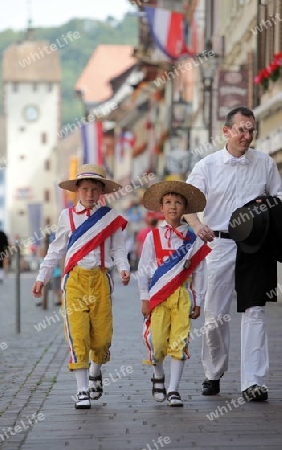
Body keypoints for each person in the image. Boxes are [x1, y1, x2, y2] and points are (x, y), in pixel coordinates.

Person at [185, 106, 282, 401]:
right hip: (220, 243)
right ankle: (213, 373)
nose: (247, 135)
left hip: (256, 246)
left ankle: (254, 381)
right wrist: (198, 225)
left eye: (251, 130)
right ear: (226, 131)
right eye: (241, 129)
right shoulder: (207, 166)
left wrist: (266, 204)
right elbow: (186, 199)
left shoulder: (265, 163)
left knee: (254, 311)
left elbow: (279, 198)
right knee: (215, 315)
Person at [32, 164, 130, 409]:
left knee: (102, 337)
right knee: (77, 334)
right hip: (75, 281)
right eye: (85, 189)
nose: (89, 194)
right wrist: (42, 276)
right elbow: (57, 249)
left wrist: (123, 267)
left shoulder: (110, 217)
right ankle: (82, 390)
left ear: (101, 192)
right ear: (77, 190)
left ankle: (96, 371)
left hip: (100, 280)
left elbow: (118, 248)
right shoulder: (67, 216)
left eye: (94, 189)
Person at [138, 180, 211, 407]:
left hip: (182, 296)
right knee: (157, 342)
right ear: (161, 207)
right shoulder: (153, 237)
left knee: (179, 342)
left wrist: (198, 300)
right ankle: (158, 375)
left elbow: (200, 271)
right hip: (158, 297)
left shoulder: (193, 240)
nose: (173, 206)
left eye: (178, 202)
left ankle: (173, 389)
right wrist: (144, 297)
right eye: (168, 202)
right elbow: (143, 268)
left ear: (186, 209)